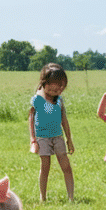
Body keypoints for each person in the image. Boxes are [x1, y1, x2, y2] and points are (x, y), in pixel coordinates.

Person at [29, 63, 75, 202]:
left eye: (62, 86)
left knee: (66, 166)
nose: (59, 89)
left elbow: (64, 120)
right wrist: (33, 140)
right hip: (42, 138)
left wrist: (69, 139)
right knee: (45, 167)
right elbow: (31, 118)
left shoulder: (59, 100)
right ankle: (43, 197)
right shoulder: (38, 99)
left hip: (57, 137)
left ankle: (71, 197)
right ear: (45, 83)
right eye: (56, 85)